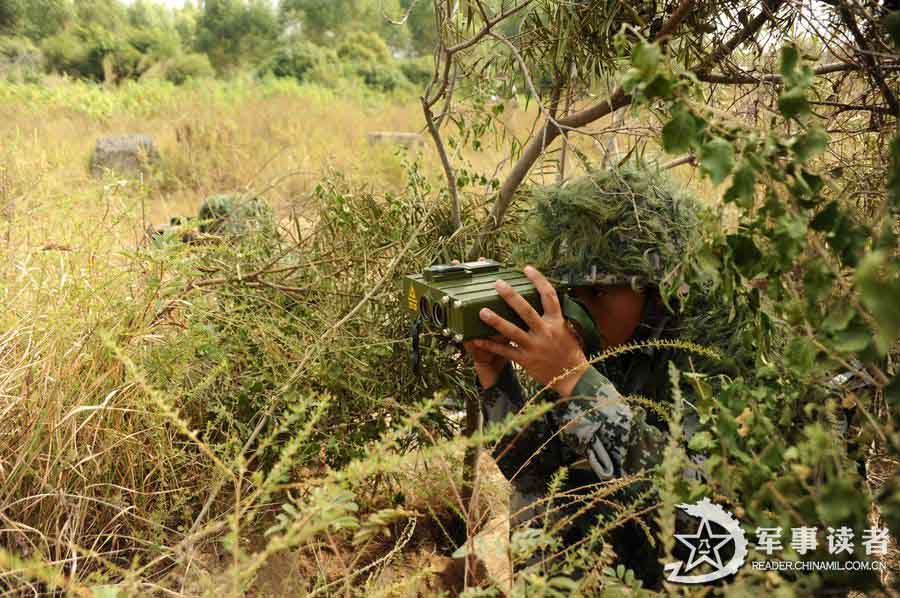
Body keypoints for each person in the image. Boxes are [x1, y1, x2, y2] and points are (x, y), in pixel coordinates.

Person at [462, 167, 729, 584]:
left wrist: (577, 380)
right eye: (571, 294)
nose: (580, 310)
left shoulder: (710, 348)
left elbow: (698, 518)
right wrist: (496, 377)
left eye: (599, 292)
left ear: (655, 286)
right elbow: (535, 474)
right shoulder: (602, 344)